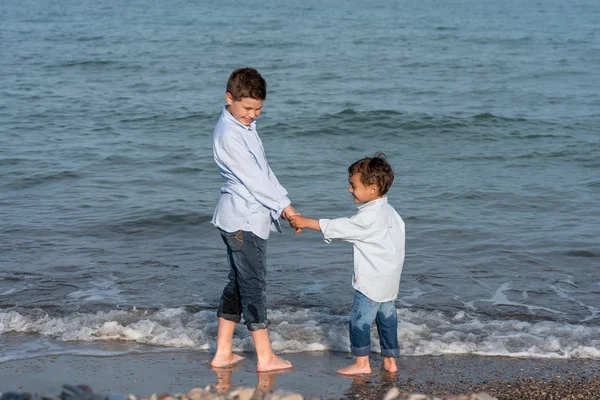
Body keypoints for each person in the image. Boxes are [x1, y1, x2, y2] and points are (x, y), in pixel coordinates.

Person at [210, 67, 296, 372]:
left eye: (259, 109)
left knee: (237, 283)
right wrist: (285, 208)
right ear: (229, 98)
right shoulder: (229, 135)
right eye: (247, 108)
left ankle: (222, 352)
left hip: (240, 219)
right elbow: (254, 181)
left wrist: (285, 203)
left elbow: (264, 170)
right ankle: (265, 357)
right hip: (242, 221)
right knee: (253, 285)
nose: (253, 115)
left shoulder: (244, 127)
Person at [288, 153, 405, 375]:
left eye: (353, 186)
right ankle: (390, 361)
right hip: (390, 279)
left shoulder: (368, 218)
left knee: (359, 320)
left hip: (372, 281)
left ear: (372, 189)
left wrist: (305, 222)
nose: (350, 190)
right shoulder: (390, 212)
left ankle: (362, 364)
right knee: (387, 319)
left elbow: (339, 227)